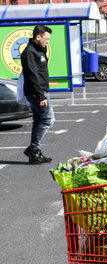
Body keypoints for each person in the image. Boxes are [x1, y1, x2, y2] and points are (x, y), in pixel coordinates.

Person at [21, 25, 54, 164]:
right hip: (36, 92)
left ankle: (35, 153)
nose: (47, 42)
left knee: (38, 120)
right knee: (48, 119)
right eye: (46, 39)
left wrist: (44, 47)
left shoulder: (38, 49)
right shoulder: (29, 52)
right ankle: (33, 149)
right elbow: (32, 75)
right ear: (38, 37)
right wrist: (41, 96)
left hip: (39, 91)